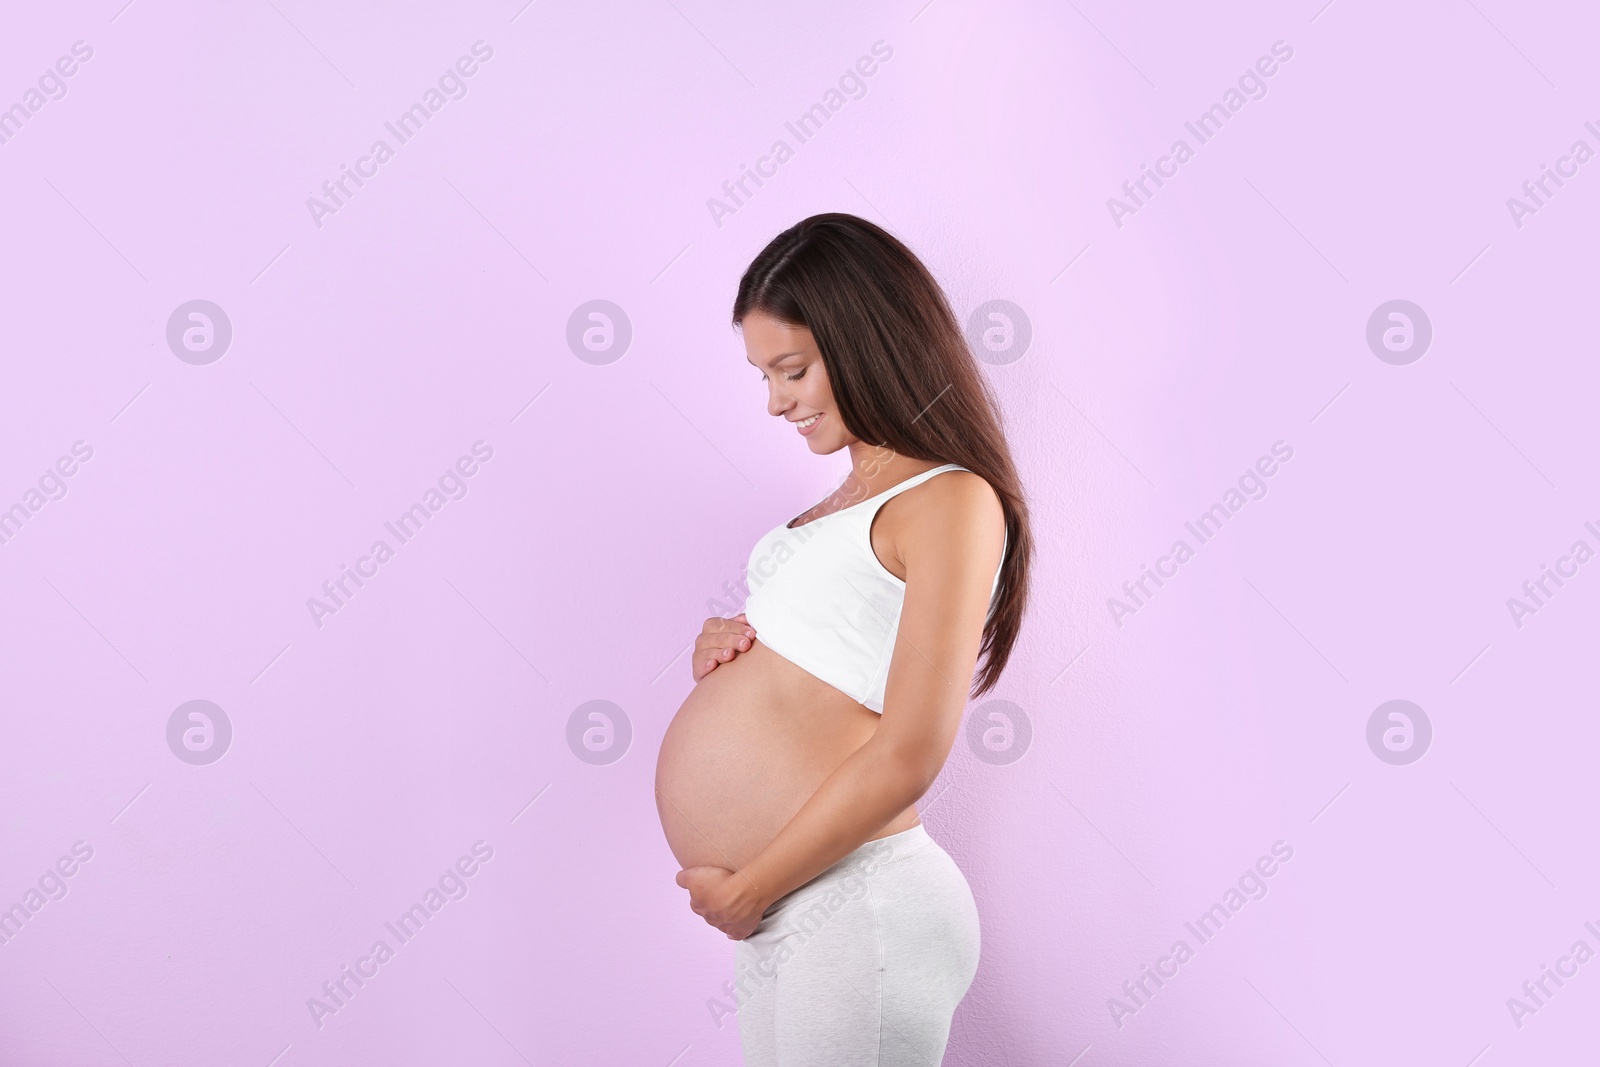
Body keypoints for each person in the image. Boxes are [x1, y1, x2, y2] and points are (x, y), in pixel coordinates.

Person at [654, 212, 1033, 1065]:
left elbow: (912, 749)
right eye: (763, 375)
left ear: (868, 341)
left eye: (793, 370)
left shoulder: (950, 499)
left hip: (858, 899)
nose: (776, 400)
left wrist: (750, 885)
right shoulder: (839, 502)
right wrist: (729, 657)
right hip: (791, 905)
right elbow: (824, 664)